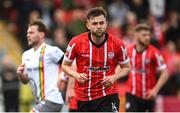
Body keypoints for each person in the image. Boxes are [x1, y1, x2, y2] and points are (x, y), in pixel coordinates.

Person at [62, 7, 131, 112]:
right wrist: (76, 75)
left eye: (101, 23)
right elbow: (65, 65)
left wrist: (114, 77)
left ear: (106, 24)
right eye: (95, 24)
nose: (99, 27)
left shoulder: (117, 44)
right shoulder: (76, 42)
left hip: (108, 95)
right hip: (84, 97)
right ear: (88, 25)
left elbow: (126, 67)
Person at [16, 19, 64, 112]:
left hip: (52, 100)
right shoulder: (26, 55)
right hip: (39, 102)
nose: (28, 35)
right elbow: (25, 81)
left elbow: (70, 64)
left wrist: (65, 80)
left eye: (31, 33)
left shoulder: (51, 50)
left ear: (41, 34)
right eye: (27, 33)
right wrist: (20, 75)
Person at [125, 24, 168, 112]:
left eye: (149, 35)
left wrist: (155, 90)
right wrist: (113, 77)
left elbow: (165, 73)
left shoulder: (154, 52)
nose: (147, 37)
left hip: (148, 96)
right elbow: (122, 66)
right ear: (136, 35)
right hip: (131, 94)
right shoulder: (128, 51)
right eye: (144, 35)